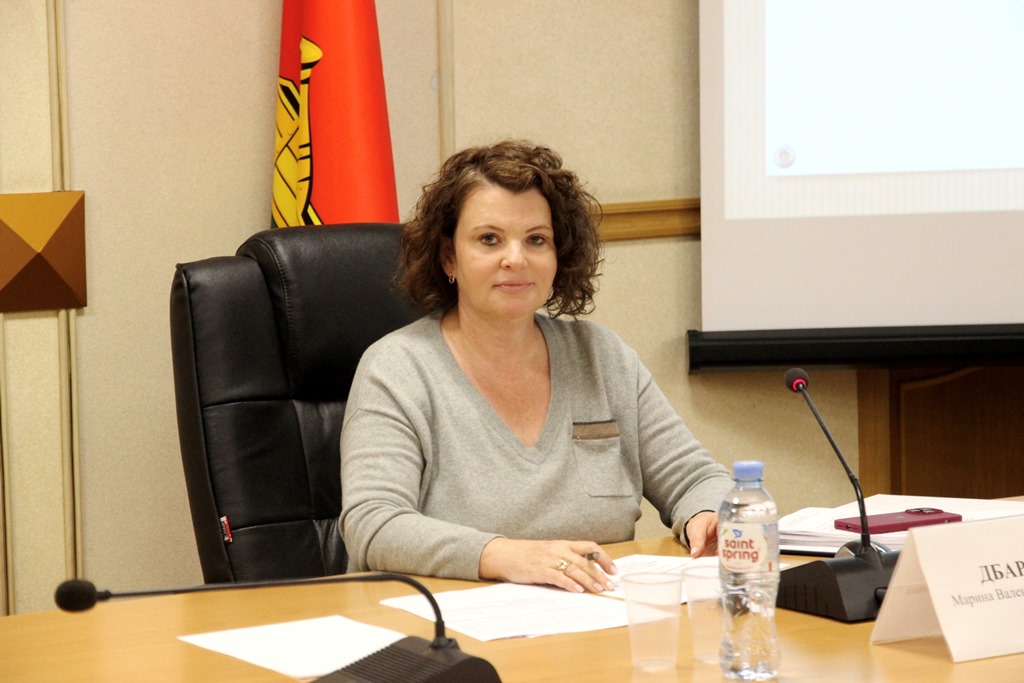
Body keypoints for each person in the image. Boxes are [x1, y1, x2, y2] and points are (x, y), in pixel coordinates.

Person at [340, 139, 733, 594]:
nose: (516, 258)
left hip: (596, 615)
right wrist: (507, 555)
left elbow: (698, 478)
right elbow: (374, 524)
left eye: (536, 240)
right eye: (489, 239)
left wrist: (706, 514)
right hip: (449, 621)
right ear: (448, 256)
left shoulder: (601, 356)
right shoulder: (397, 369)